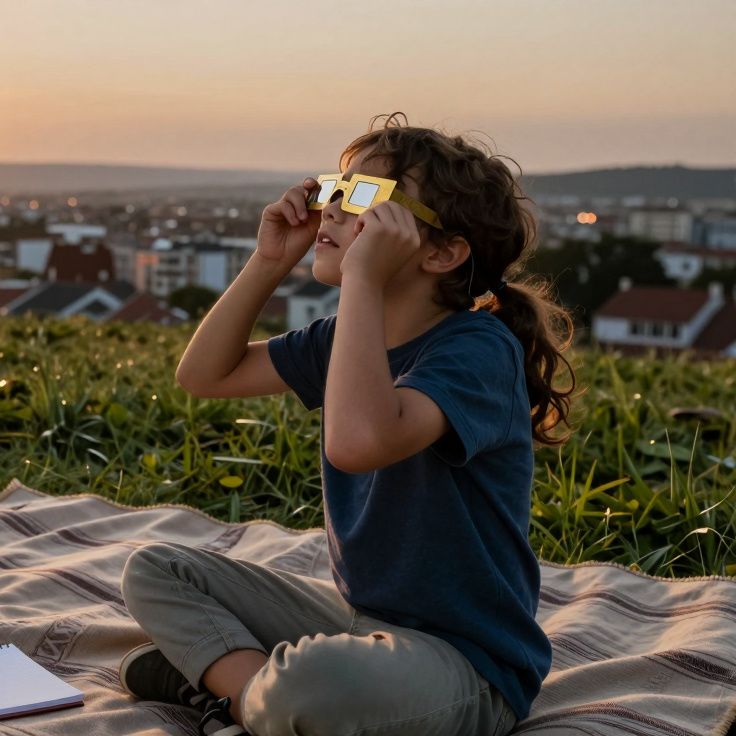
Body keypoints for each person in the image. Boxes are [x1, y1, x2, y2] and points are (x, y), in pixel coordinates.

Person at [119, 114, 578, 736]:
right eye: (336, 186)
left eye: (364, 196)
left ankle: (236, 689)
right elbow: (205, 375)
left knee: (314, 682)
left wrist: (360, 277)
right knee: (155, 568)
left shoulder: (478, 350)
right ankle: (255, 697)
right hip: (361, 622)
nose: (332, 207)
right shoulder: (346, 339)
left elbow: (360, 442)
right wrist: (268, 261)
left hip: (468, 667)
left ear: (442, 252)